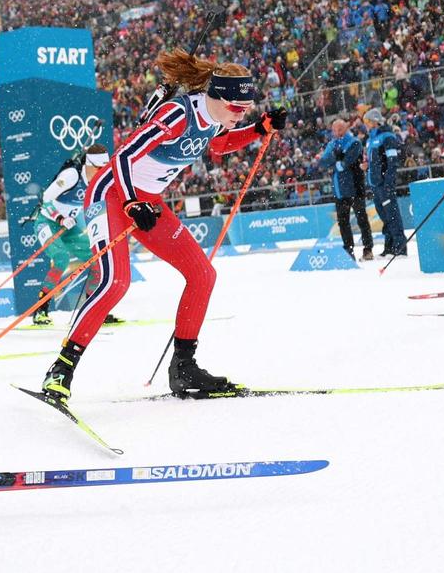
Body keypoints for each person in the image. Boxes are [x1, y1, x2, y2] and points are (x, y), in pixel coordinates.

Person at [40, 52, 282, 402]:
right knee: (115, 282)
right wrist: (130, 202)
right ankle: (61, 368)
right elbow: (124, 156)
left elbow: (219, 146)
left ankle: (184, 367)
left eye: (247, 109)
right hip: (111, 194)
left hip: (146, 201)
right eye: (237, 108)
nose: (241, 114)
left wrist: (259, 129)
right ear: (217, 96)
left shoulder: (215, 119)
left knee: (202, 275)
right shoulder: (178, 114)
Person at [29, 145, 110, 326]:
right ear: (88, 165)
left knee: (97, 259)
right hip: (47, 221)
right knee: (61, 258)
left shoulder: (99, 182)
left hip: (70, 226)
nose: (101, 173)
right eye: (98, 168)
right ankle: (41, 310)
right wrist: (60, 218)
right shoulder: (72, 176)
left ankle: (93, 309)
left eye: (104, 169)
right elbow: (45, 199)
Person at [315, 118, 373, 260]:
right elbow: (323, 162)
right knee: (343, 222)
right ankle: (348, 250)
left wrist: (335, 160)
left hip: (355, 186)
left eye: (340, 129)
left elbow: (346, 162)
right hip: (339, 190)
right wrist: (337, 159)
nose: (337, 132)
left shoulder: (354, 142)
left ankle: (368, 249)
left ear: (346, 128)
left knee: (361, 219)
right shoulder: (332, 143)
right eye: (335, 130)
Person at [363, 109, 409, 257]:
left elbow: (392, 161)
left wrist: (388, 182)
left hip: (384, 183)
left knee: (392, 215)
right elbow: (375, 161)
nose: (365, 125)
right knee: (384, 217)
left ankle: (400, 247)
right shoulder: (370, 139)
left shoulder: (387, 136)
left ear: (375, 121)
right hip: (375, 184)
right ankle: (389, 247)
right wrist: (367, 167)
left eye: (367, 121)